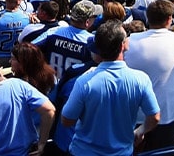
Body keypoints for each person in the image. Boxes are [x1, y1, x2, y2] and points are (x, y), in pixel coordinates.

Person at [60, 21, 160, 156]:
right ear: (122, 45)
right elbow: (155, 117)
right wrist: (139, 132)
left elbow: (67, 120)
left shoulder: (84, 81)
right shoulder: (141, 79)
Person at [124, 0, 174, 149]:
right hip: (167, 110)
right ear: (169, 19)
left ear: (148, 17)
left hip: (136, 113)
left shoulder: (129, 41)